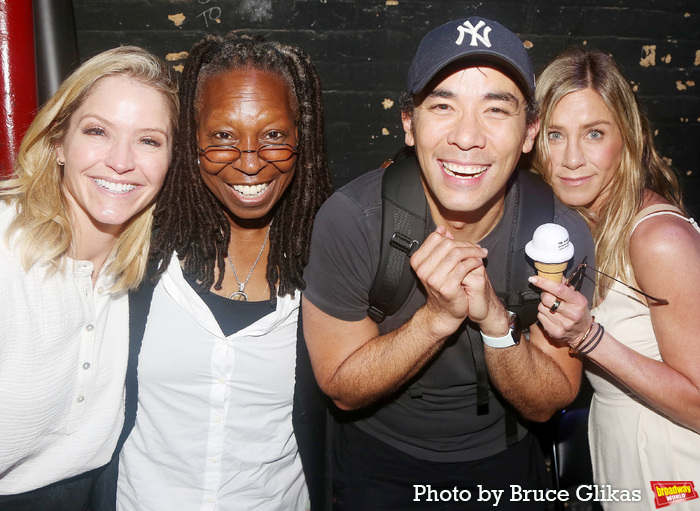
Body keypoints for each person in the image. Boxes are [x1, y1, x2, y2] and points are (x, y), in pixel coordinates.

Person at [302, 16, 596, 510]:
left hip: (506, 463)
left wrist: (494, 321)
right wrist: (436, 319)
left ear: (529, 133)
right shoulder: (353, 220)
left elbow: (550, 403)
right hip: (380, 465)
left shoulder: (557, 237)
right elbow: (342, 389)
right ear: (409, 124)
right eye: (442, 105)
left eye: (496, 111)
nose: (467, 137)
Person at [116, 34, 333, 511]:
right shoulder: (139, 259)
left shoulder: (329, 276)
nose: (250, 162)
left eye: (274, 135)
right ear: (191, 139)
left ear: (304, 136)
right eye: (222, 136)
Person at [0, 46, 178, 510]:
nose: (121, 161)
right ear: (58, 141)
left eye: (149, 140)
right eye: (98, 131)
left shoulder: (145, 269)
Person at [529, 47, 700, 509]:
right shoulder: (583, 227)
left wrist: (589, 337)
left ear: (627, 137)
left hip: (674, 473)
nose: (571, 159)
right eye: (555, 134)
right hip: (624, 452)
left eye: (594, 134)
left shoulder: (658, 238)